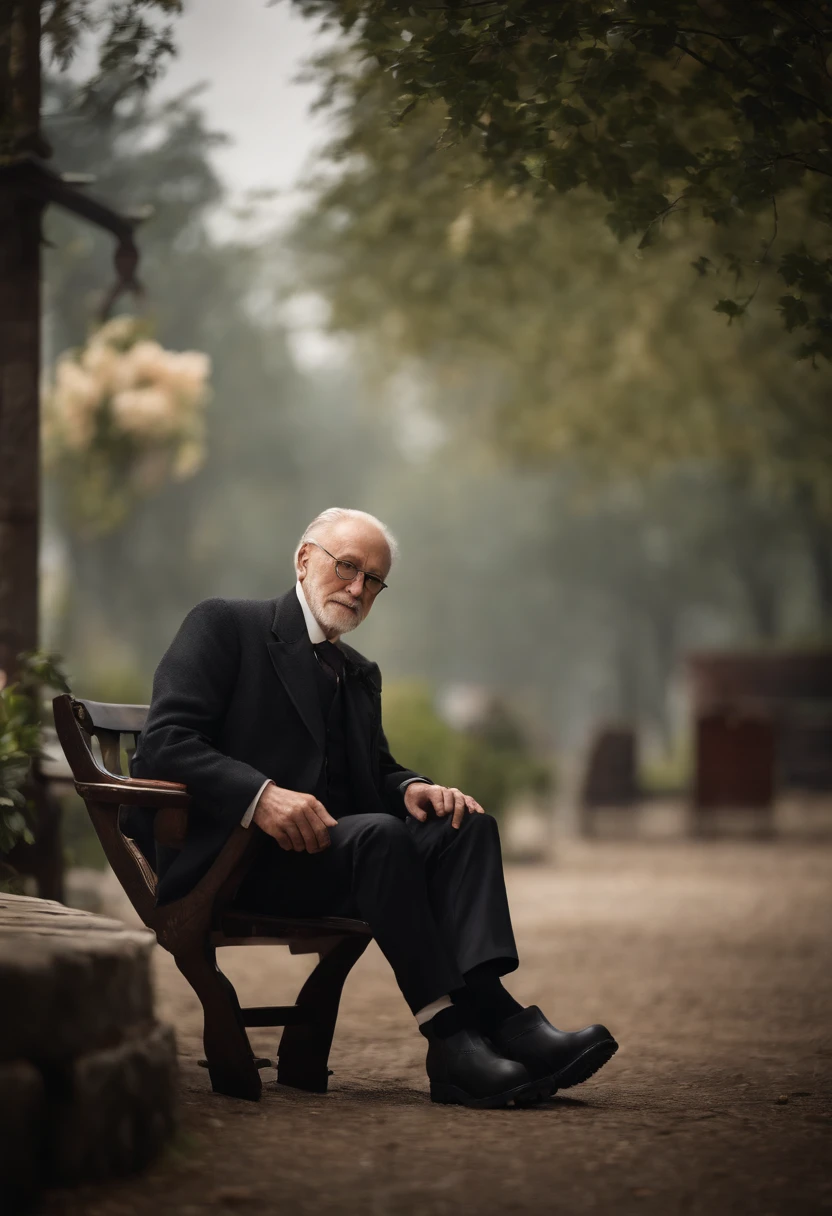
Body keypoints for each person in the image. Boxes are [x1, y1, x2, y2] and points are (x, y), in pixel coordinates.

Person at [132, 507, 618, 1108]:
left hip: (332, 858)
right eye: (347, 567)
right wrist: (259, 796)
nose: (358, 588)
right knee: (381, 839)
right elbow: (165, 742)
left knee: (463, 826)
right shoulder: (225, 624)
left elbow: (370, 777)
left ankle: (499, 1014)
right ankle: (449, 1039)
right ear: (304, 559)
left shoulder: (358, 672)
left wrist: (410, 786)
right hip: (235, 864)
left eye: (373, 580)